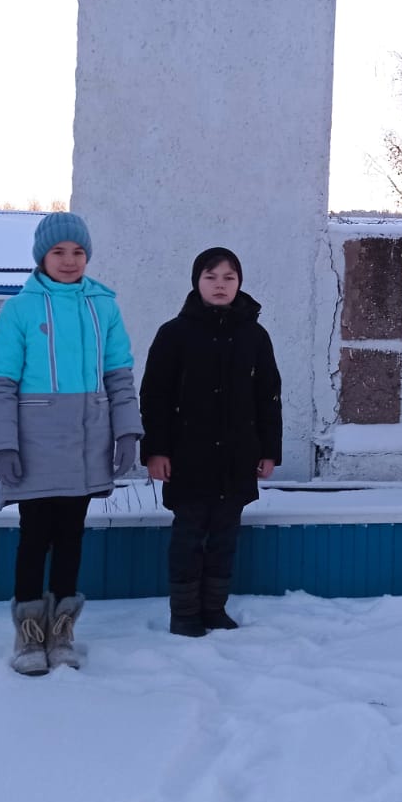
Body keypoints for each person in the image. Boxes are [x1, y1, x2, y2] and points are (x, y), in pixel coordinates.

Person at [0, 212, 142, 675]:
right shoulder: (19, 309)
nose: (69, 260)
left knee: (71, 537)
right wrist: (3, 445)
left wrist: (127, 431)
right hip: (34, 446)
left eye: (78, 252)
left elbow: (119, 377)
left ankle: (62, 632)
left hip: (86, 444)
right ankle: (30, 635)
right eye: (59, 251)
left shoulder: (104, 307)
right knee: (35, 538)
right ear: (41, 257)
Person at [140, 247, 281, 636]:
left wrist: (269, 451)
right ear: (196, 281)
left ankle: (214, 608)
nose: (220, 285)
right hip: (188, 458)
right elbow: (154, 397)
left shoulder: (254, 336)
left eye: (228, 278)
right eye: (211, 277)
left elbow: (268, 397)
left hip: (237, 457)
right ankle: (184, 614)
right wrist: (156, 450)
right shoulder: (174, 334)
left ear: (239, 283)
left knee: (224, 536)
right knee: (188, 536)